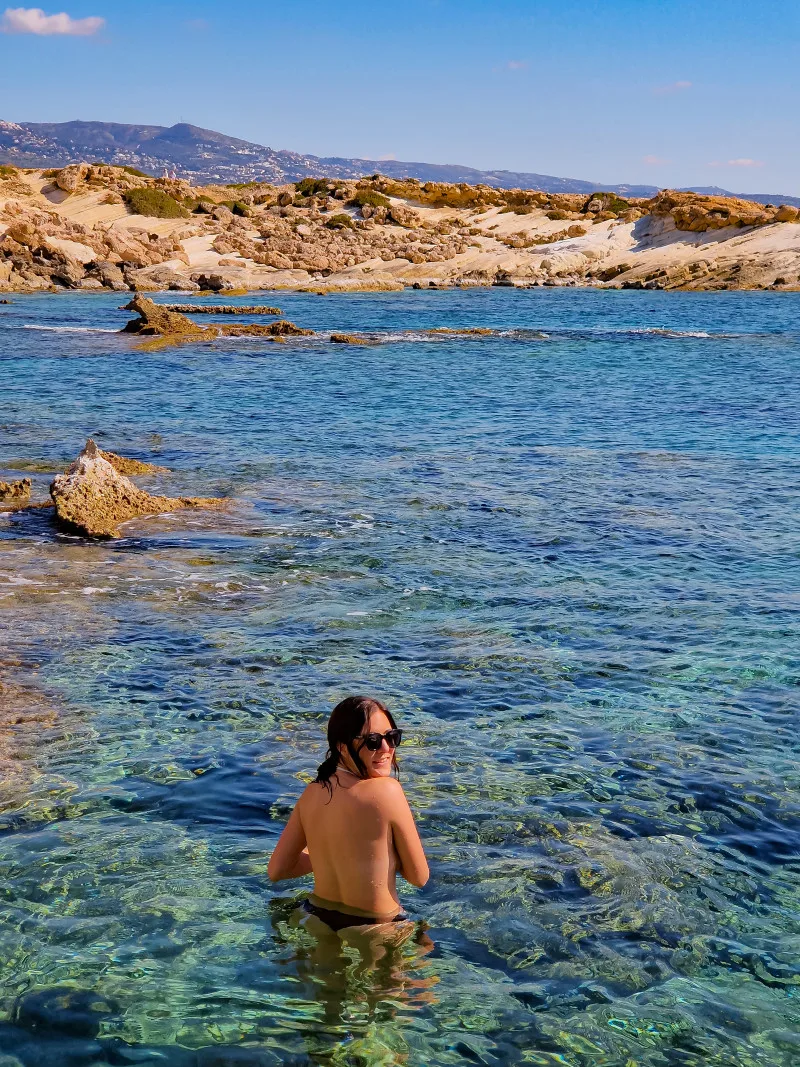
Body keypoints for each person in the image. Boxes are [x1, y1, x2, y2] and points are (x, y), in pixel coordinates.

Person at [268, 695, 429, 931]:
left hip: (316, 917)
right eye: (373, 741)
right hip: (376, 927)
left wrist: (334, 856)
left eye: (392, 737)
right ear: (342, 747)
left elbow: (277, 871)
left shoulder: (312, 793)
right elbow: (419, 877)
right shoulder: (387, 791)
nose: (386, 748)